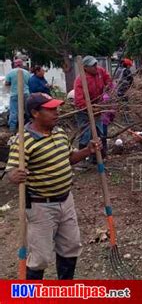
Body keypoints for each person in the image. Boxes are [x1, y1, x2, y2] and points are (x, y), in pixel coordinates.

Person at [5, 93, 102, 279]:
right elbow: (12, 170)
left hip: (66, 201)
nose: (56, 113)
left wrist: (87, 151)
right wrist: (14, 175)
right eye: (50, 109)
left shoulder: (59, 132)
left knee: (71, 248)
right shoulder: (24, 141)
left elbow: (69, 158)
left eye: (56, 108)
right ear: (35, 113)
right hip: (40, 205)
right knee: (40, 257)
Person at [73, 55, 111, 161]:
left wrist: (108, 86)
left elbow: (108, 79)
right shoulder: (80, 80)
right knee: (86, 133)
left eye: (95, 64)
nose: (95, 67)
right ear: (85, 67)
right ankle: (82, 158)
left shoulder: (99, 71)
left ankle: (98, 157)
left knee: (99, 131)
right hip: (83, 110)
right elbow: (79, 101)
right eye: (92, 65)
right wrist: (90, 108)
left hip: (97, 106)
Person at [4, 59, 30, 133]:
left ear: (15, 64)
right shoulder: (26, 73)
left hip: (15, 94)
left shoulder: (10, 73)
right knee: (28, 111)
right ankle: (27, 128)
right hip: (26, 94)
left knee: (14, 112)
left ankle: (12, 130)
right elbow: (29, 82)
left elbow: (7, 83)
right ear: (21, 64)